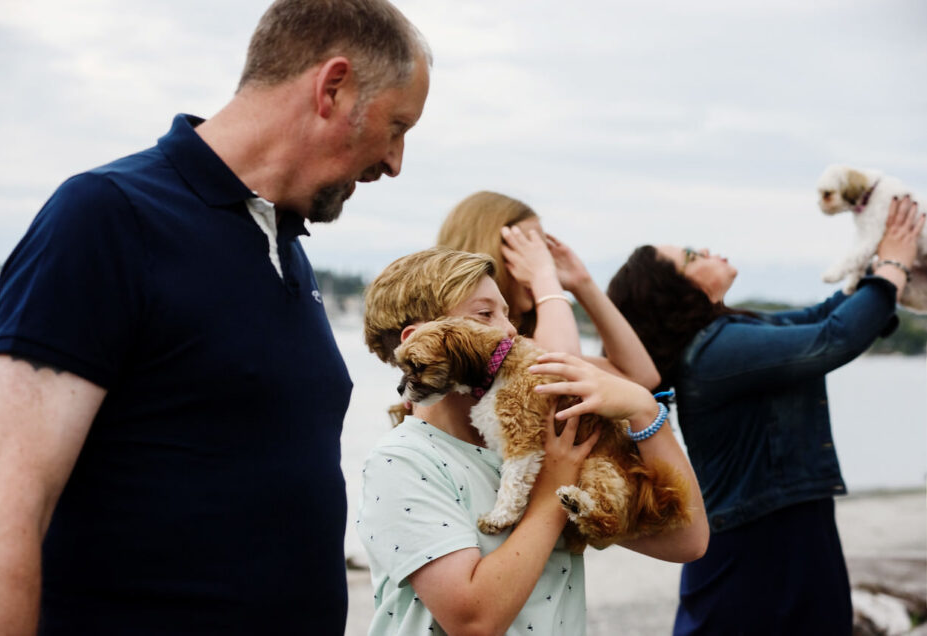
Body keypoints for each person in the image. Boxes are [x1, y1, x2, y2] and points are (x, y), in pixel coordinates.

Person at [0, 1, 431, 633]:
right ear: (333, 88)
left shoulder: (286, 244)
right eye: (398, 125)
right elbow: (3, 514)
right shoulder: (107, 218)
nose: (395, 161)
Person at [607, 196, 925, 635]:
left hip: (789, 529)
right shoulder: (716, 351)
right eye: (693, 256)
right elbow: (834, 338)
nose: (710, 250)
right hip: (755, 544)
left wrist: (884, 266)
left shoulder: (732, 332)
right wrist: (892, 265)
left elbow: (821, 317)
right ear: (676, 292)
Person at [358, 247, 708, 635]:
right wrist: (554, 491)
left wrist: (645, 412)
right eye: (485, 314)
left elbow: (685, 541)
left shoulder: (551, 441)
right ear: (421, 340)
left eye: (508, 314)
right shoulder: (404, 462)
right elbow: (474, 622)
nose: (510, 331)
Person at [436, 190, 660, 389]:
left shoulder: (530, 341)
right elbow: (558, 372)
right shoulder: (467, 341)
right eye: (528, 248)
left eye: (543, 251)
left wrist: (583, 283)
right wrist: (542, 276)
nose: (542, 260)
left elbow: (640, 377)